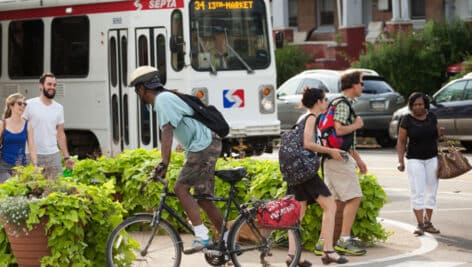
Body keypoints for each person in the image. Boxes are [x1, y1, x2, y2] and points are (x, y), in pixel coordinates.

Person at [130, 65, 224, 253]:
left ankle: (202, 236)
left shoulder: (163, 100)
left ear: (142, 89)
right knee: (203, 198)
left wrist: (165, 162)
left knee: (180, 188)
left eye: (136, 90)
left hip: (204, 145)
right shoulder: (166, 98)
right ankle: (227, 238)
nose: (137, 94)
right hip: (205, 144)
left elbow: (167, 131)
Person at [286, 88, 348, 266]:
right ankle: (328, 250)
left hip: (297, 171)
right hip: (306, 172)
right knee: (330, 205)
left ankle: (292, 255)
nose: (326, 101)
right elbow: (308, 143)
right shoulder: (311, 118)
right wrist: (330, 151)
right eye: (324, 99)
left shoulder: (304, 117)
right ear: (318, 102)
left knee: (298, 213)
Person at [317, 70, 367, 256]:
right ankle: (344, 240)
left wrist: (359, 160)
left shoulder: (335, 102)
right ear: (353, 85)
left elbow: (342, 140)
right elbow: (339, 130)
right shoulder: (344, 104)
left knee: (334, 202)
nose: (363, 86)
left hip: (331, 159)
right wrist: (357, 125)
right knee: (354, 198)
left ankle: (323, 242)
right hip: (339, 159)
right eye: (361, 83)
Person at [396, 92, 443, 235]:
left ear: (425, 105)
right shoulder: (406, 120)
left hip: (432, 159)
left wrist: (440, 135)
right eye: (415, 104)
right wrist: (400, 161)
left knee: (431, 192)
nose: (418, 107)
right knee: (418, 191)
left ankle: (428, 223)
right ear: (411, 105)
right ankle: (420, 224)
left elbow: (437, 138)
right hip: (414, 160)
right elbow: (401, 141)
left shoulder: (432, 117)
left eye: (420, 104)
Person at [23, 73, 74, 179]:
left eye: (54, 85)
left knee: (57, 189)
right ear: (41, 86)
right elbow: (21, 130)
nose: (52, 87)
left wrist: (66, 157)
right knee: (33, 190)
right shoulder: (29, 105)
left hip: (53, 155)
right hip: (33, 156)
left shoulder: (59, 108)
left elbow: (60, 134)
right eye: (49, 84)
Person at [0, 93, 38, 182]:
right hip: (4, 166)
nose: (23, 106)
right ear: (11, 106)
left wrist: (35, 165)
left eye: (25, 104)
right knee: (8, 187)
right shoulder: (2, 124)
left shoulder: (28, 125)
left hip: (21, 167)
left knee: (18, 193)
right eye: (19, 103)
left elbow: (32, 147)